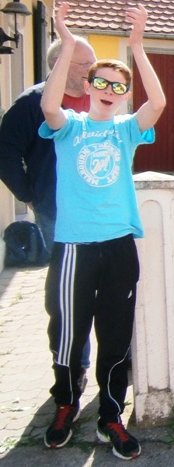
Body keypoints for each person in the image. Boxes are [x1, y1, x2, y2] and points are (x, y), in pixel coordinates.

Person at [40, 2, 165, 459]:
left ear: (124, 95)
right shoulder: (69, 127)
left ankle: (110, 415)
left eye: (118, 85)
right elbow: (49, 105)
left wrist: (137, 46)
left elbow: (159, 103)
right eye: (102, 82)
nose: (109, 90)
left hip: (118, 244)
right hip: (75, 245)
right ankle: (66, 404)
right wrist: (68, 42)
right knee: (68, 331)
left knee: (115, 333)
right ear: (89, 86)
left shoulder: (126, 130)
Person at [0, 32, 96, 374]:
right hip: (57, 210)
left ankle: (120, 357)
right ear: (58, 64)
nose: (92, 69)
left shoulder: (98, 96)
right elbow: (6, 153)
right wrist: (29, 194)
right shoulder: (32, 104)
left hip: (101, 209)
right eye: (84, 63)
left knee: (106, 284)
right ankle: (74, 364)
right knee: (68, 288)